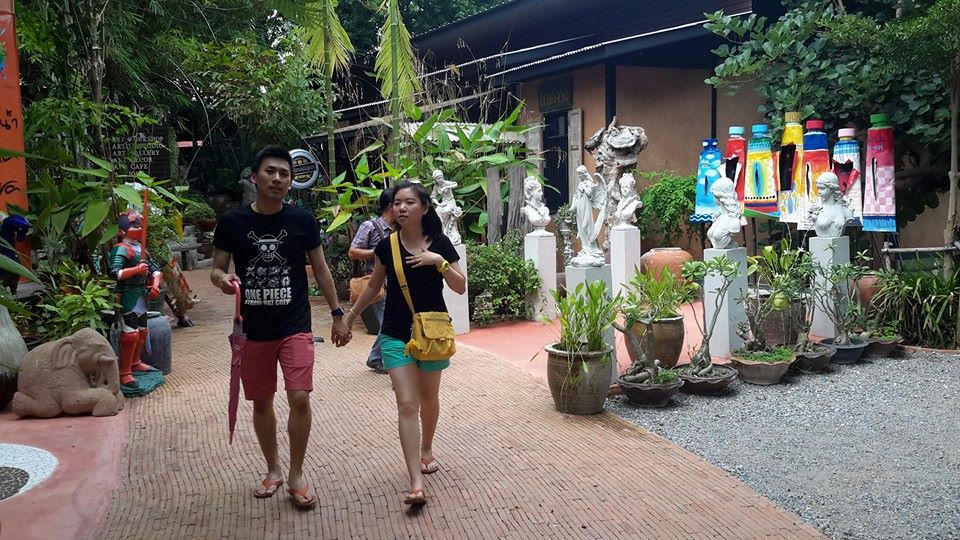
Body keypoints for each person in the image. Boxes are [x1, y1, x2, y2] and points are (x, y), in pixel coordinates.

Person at [211, 145, 351, 509]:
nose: (277, 178)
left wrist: (337, 314)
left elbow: (321, 269)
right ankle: (273, 468)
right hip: (252, 329)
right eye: (270, 171)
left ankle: (296, 474)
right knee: (261, 402)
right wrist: (223, 280)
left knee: (300, 397)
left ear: (291, 182)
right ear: (254, 176)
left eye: (284, 174)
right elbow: (217, 269)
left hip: (295, 324)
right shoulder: (233, 222)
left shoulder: (302, 219)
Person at [345, 179, 466, 506]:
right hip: (395, 333)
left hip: (432, 334)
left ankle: (426, 447)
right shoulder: (387, 246)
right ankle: (415, 482)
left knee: (428, 398)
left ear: (424, 208)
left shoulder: (440, 243)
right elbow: (373, 287)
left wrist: (438, 262)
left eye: (409, 202)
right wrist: (349, 317)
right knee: (407, 403)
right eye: (397, 203)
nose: (401, 207)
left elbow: (460, 286)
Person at [109, 209, 162, 389]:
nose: (139, 228)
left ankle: (135, 362)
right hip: (127, 295)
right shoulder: (121, 249)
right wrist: (136, 270)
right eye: (134, 226)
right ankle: (125, 372)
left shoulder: (141, 248)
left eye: (140, 225)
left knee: (142, 332)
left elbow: (155, 269)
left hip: (141, 294)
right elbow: (115, 273)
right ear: (122, 231)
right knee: (130, 335)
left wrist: (155, 284)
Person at [348, 188, 395, 373]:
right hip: (377, 283)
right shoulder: (370, 226)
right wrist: (377, 252)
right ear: (390, 206)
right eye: (399, 203)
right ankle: (378, 359)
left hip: (397, 282)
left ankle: (376, 357)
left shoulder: (400, 227)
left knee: (390, 322)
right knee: (387, 323)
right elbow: (353, 252)